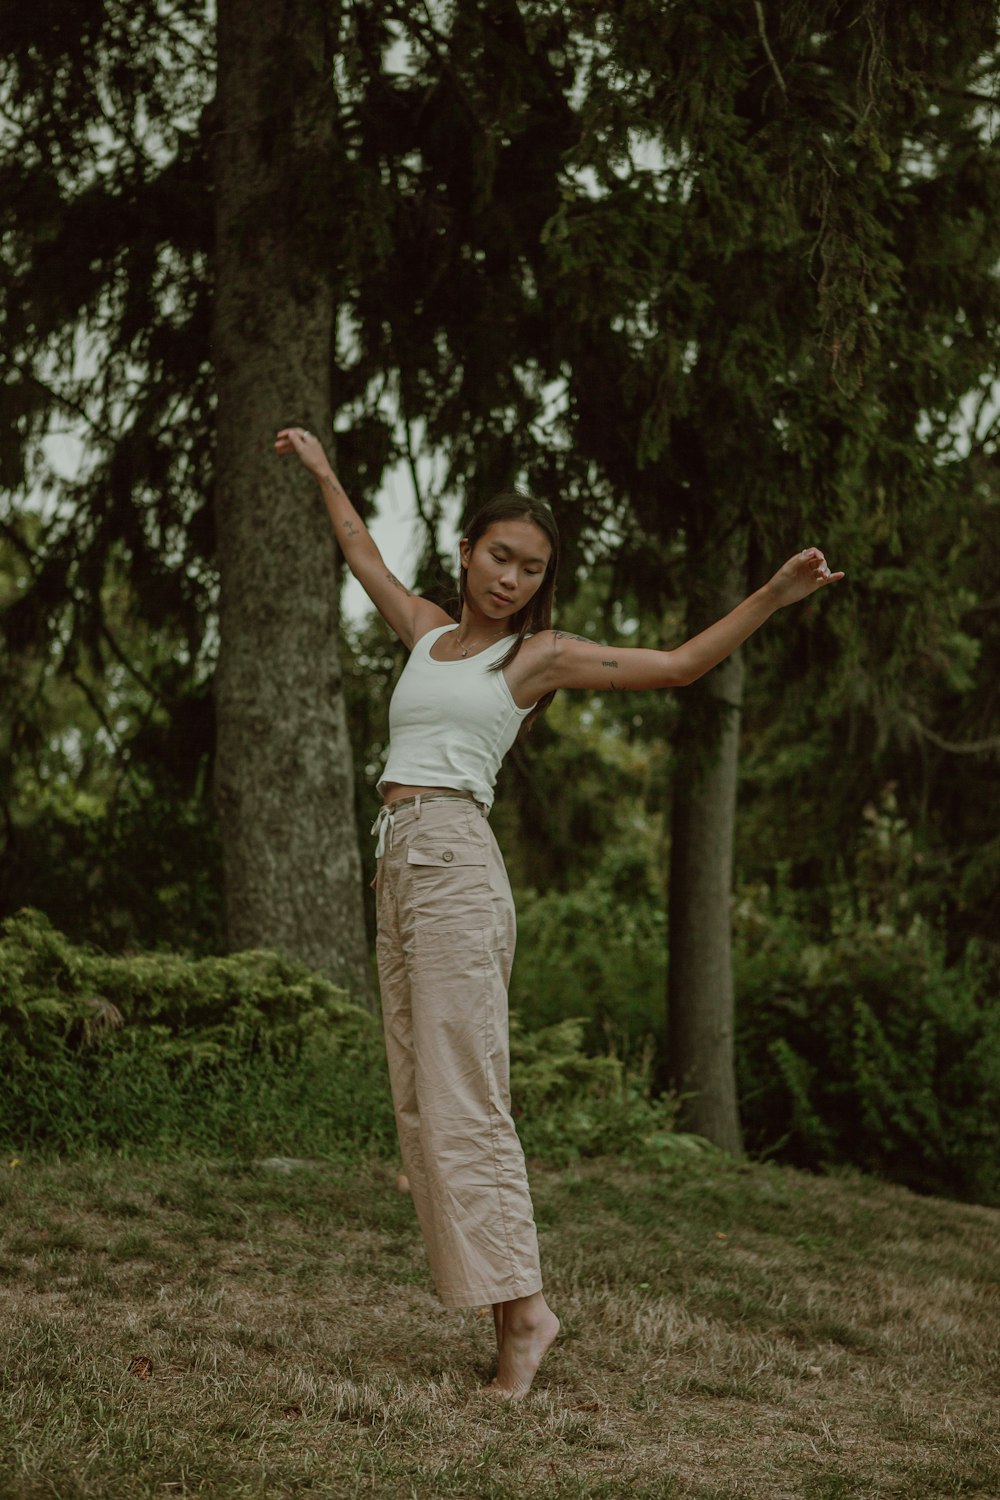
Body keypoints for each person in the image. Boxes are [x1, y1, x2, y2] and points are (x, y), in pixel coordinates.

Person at [275, 424, 843, 1397]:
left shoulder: (532, 660)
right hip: (399, 859)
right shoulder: (425, 636)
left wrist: (773, 596)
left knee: (467, 1099)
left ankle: (526, 1317)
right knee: (422, 1102)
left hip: (453, 859)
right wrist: (326, 472)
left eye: (531, 569)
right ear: (465, 549)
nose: (512, 580)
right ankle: (513, 1308)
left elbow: (674, 666)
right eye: (500, 557)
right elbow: (361, 550)